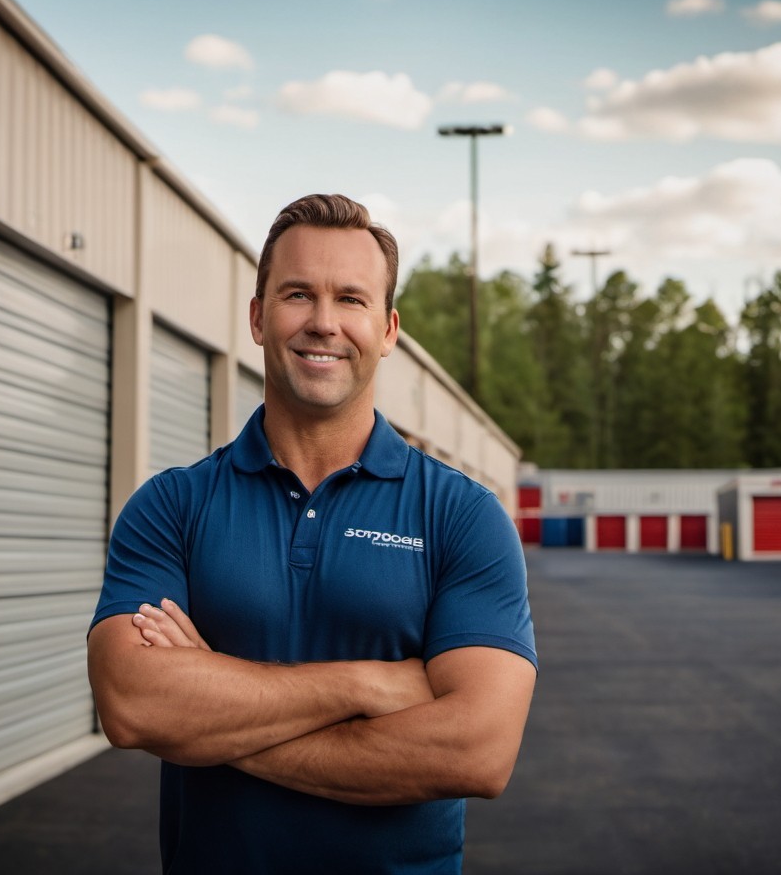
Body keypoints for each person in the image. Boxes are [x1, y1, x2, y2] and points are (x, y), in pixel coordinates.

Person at [87, 194, 537, 874]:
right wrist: (365, 686)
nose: (324, 323)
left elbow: (478, 749)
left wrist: (209, 723)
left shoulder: (461, 516)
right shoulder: (172, 506)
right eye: (299, 294)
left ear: (387, 330)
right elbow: (133, 703)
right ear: (259, 317)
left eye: (350, 299)